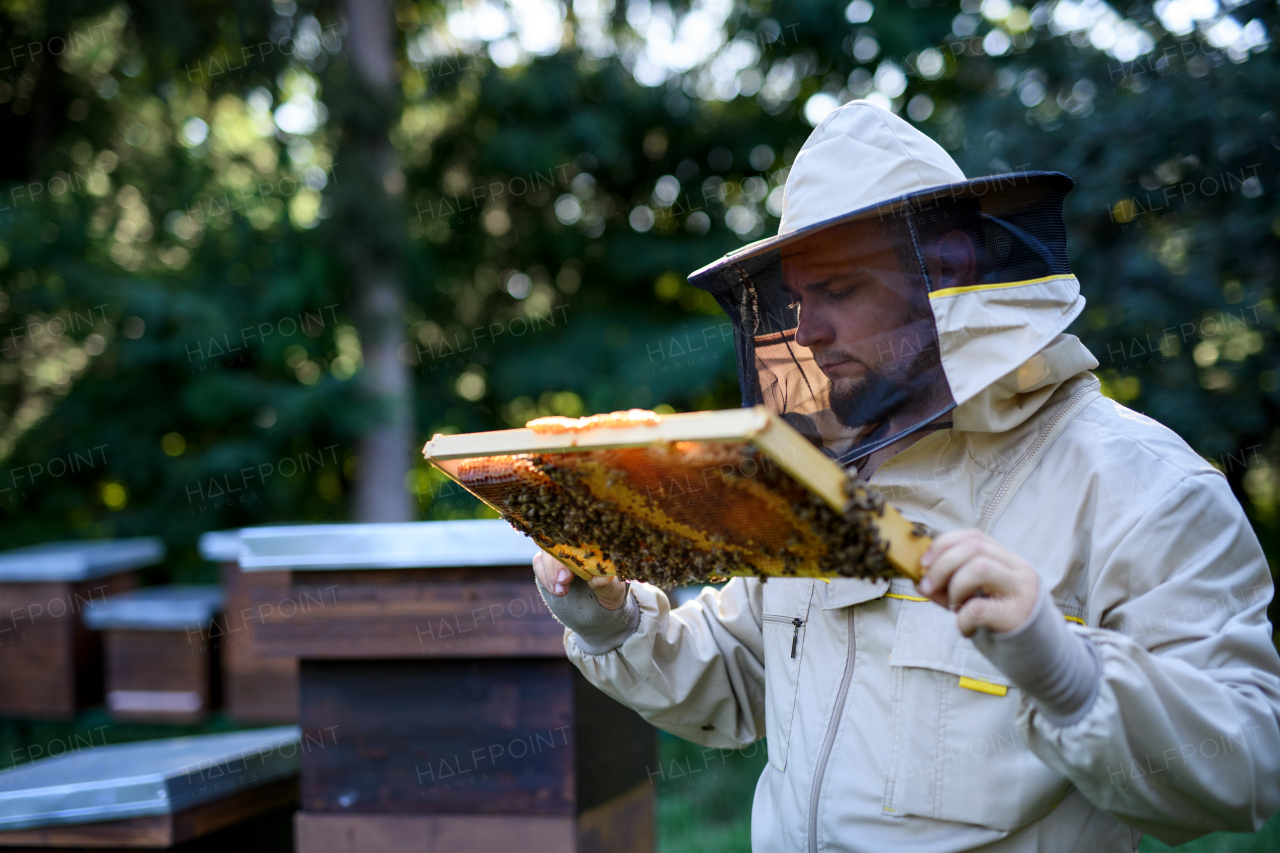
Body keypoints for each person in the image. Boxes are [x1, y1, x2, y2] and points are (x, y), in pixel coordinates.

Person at [532, 100, 1280, 851]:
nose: (808, 332)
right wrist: (611, 615)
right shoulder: (828, 475)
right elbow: (738, 674)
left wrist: (1068, 672)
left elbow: (1246, 768)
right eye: (796, 299)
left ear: (948, 270)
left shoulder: (1143, 486)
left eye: (840, 290)